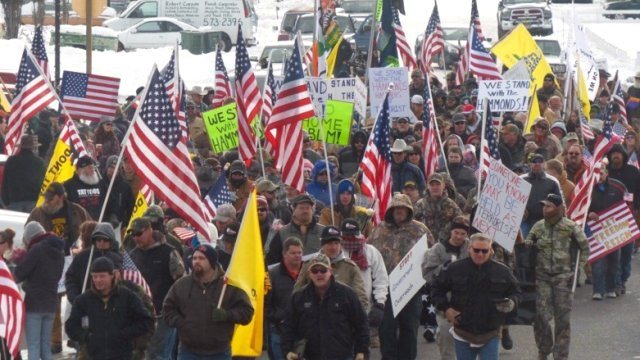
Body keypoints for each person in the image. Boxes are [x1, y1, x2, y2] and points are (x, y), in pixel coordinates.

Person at [431, 233, 521, 360]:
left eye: (484, 251)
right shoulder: (454, 268)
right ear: (469, 249)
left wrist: (512, 303)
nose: (480, 254)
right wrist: (446, 309)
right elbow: (436, 289)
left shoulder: (503, 271)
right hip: (462, 331)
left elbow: (516, 292)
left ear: (491, 250)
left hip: (490, 331)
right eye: (476, 250)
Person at [368, 193, 432, 360]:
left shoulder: (420, 229)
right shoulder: (378, 230)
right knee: (386, 328)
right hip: (386, 289)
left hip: (411, 289)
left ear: (409, 209)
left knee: (409, 329)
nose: (400, 211)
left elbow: (432, 254)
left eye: (403, 208)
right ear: (391, 210)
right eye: (396, 208)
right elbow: (369, 254)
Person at [163, 244, 254, 359]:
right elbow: (167, 309)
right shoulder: (182, 285)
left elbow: (247, 312)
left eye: (201, 258)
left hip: (219, 352)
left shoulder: (228, 285)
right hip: (188, 351)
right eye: (194, 258)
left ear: (212, 261)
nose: (196, 261)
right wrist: (181, 322)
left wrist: (227, 315)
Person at [526, 194, 589, 360]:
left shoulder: (570, 227)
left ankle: (560, 355)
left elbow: (585, 247)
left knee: (562, 319)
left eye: (549, 206)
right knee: (540, 316)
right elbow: (527, 245)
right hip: (542, 277)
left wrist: (579, 269)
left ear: (559, 208)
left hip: (563, 277)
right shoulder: (538, 227)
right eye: (544, 206)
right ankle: (543, 349)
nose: (545, 209)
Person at [281, 253, 369, 360]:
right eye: (315, 270)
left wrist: (361, 351)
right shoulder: (299, 297)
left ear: (330, 271)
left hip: (342, 356)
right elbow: (288, 326)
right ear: (309, 273)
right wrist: (288, 351)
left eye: (323, 270)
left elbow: (361, 324)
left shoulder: (347, 294)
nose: (319, 274)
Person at [66, 257, 154, 360]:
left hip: (123, 354)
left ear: (112, 275)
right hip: (93, 355)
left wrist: (124, 335)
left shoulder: (127, 296)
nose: (98, 280)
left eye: (102, 276)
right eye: (95, 276)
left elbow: (146, 321)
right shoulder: (82, 301)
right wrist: (87, 337)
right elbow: (71, 327)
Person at [129, 217, 186, 360]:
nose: (136, 238)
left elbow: (182, 282)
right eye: (133, 235)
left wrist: (176, 309)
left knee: (159, 354)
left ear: (149, 230)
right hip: (139, 314)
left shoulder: (168, 252)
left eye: (139, 233)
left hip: (163, 314)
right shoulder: (133, 255)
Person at [14, 221, 65, 360]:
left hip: (34, 305)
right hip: (51, 304)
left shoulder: (37, 249)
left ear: (30, 237)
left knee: (34, 346)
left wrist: (16, 262)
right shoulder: (59, 250)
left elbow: (20, 273)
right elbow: (56, 275)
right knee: (45, 347)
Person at [422, 217, 470, 360]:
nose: (459, 237)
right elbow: (427, 273)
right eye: (456, 232)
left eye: (463, 233)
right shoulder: (438, 249)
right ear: (451, 232)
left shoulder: (471, 247)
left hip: (467, 301)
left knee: (469, 342)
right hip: (445, 301)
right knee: (446, 336)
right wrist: (444, 269)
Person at [294, 226, 369, 310]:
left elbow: (361, 298)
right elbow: (297, 293)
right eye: (329, 243)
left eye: (336, 243)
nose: (333, 247)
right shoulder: (309, 264)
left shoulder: (350, 267)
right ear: (322, 245)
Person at [588, 164, 626, 299]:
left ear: (606, 173)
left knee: (614, 261)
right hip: (596, 230)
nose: (600, 175)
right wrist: (589, 215)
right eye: (597, 173)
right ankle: (598, 290)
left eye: (602, 172)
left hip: (614, 230)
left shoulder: (617, 189)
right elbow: (582, 211)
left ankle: (611, 288)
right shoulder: (589, 191)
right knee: (598, 261)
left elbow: (626, 206)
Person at [606, 144, 640, 295]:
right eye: (613, 153)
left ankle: (624, 277)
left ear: (623, 155)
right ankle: (617, 282)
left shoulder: (633, 171)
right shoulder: (606, 172)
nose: (615, 156)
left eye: (618, 153)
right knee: (615, 253)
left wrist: (637, 208)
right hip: (610, 218)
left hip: (629, 216)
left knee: (627, 252)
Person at [266, 237, 304, 360]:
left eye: (299, 253)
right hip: (279, 332)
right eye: (293, 253)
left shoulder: (310, 272)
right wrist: (280, 317)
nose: (297, 256)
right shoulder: (271, 275)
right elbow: (264, 304)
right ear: (284, 254)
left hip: (304, 332)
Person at [267, 194, 325, 265]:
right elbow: (272, 260)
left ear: (312, 210)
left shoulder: (323, 231)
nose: (305, 211)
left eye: (308, 208)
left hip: (318, 273)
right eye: (301, 208)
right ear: (293, 209)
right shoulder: (282, 233)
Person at [520, 153, 562, 237]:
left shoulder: (552, 181)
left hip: (545, 222)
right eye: (534, 161)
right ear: (530, 164)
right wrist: (520, 209)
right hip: (525, 221)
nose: (537, 164)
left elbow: (560, 203)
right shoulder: (521, 179)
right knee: (524, 246)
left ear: (544, 164)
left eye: (540, 161)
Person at [1, 134, 46, 212]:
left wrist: (6, 201)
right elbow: (43, 183)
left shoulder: (11, 161)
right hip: (33, 202)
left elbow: (5, 183)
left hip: (14, 201)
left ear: (20, 147)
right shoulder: (39, 162)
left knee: (15, 224)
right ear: (33, 147)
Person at [414, 173, 462, 244]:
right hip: (424, 246)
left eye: (438, 184)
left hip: (445, 247)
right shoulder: (419, 205)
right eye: (432, 185)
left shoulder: (452, 205)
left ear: (443, 186)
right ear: (427, 186)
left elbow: (460, 226)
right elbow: (413, 226)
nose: (435, 187)